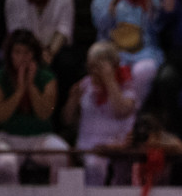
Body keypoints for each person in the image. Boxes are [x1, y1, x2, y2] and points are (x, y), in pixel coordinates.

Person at [63, 40, 155, 186]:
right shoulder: (85, 85)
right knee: (94, 164)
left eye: (98, 66)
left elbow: (122, 111)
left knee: (120, 169)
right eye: (91, 66)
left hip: (119, 147)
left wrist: (109, 81)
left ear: (113, 66)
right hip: (89, 148)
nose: (93, 71)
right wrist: (72, 100)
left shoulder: (126, 85)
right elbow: (68, 120)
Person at [0, 28, 70, 184]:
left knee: (61, 155)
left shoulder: (47, 77)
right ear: (10, 55)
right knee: (6, 164)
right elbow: (1, 116)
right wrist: (20, 90)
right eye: (17, 52)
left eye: (27, 53)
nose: (22, 58)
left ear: (34, 54)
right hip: (9, 137)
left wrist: (31, 86)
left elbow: (45, 114)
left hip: (40, 136)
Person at [4, 0, 77, 94]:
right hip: (26, 47)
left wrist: (49, 53)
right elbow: (15, 30)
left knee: (67, 62)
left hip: (54, 49)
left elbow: (63, 29)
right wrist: (36, 52)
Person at [90, 0, 164, 71]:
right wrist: (114, 2)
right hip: (112, 51)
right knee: (105, 65)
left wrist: (148, 2)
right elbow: (101, 27)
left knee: (144, 69)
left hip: (143, 53)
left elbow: (157, 30)